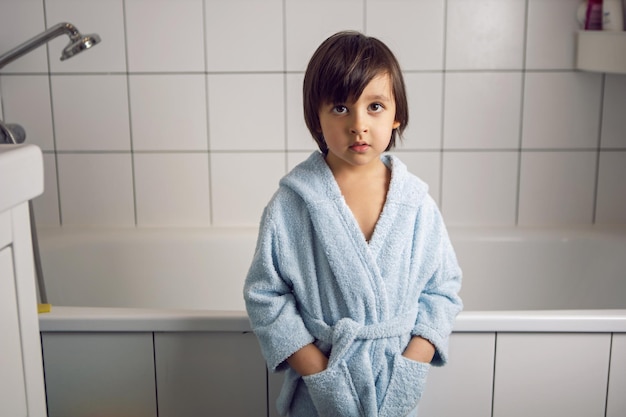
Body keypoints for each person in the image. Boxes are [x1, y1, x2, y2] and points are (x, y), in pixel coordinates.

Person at [244, 31, 462, 417]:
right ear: (317, 117)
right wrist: (321, 375)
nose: (358, 124)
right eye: (341, 108)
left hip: (391, 381)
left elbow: (442, 290)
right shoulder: (292, 205)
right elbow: (266, 296)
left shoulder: (415, 204)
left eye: (375, 106)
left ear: (398, 116)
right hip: (321, 390)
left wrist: (410, 366)